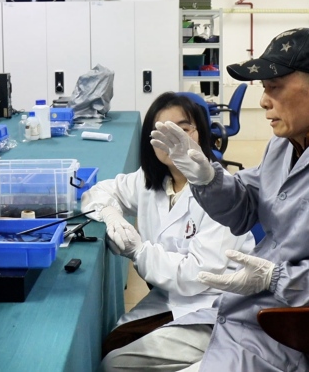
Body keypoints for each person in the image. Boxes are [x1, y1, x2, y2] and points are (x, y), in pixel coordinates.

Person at [108, 27, 309, 371]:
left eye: (274, 87)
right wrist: (207, 178)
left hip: (292, 335)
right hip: (242, 313)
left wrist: (277, 278)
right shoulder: (286, 142)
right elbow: (244, 208)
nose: (264, 101)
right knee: (117, 363)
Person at [81, 92, 255, 359]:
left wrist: (138, 252)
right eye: (163, 133)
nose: (174, 141)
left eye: (183, 130)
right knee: (114, 343)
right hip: (170, 298)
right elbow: (97, 193)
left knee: (116, 362)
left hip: (217, 305)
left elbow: (197, 276)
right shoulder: (152, 181)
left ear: (201, 134)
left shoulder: (222, 193)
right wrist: (110, 214)